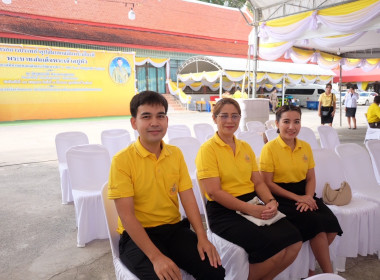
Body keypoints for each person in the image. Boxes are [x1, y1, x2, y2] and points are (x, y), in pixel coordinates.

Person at [108, 91, 225, 280]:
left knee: (215, 270)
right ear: (133, 123)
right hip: (139, 236)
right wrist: (156, 257)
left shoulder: (175, 154)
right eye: (146, 116)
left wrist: (202, 237)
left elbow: (188, 198)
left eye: (160, 116)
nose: (155, 122)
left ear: (167, 121)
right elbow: (127, 216)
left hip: (174, 230)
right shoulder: (122, 161)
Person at [195, 98, 302, 280]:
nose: (230, 121)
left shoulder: (245, 147)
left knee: (295, 241)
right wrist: (250, 209)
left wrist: (270, 201)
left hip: (251, 204)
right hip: (223, 212)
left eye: (235, 116)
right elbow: (214, 192)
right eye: (224, 116)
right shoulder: (208, 150)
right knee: (272, 249)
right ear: (214, 118)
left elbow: (258, 183)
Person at [259, 105, 343, 275]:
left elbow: (310, 177)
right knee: (317, 227)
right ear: (277, 123)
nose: (292, 127)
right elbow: (267, 183)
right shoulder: (269, 149)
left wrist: (308, 197)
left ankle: (309, 268)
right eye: (286, 122)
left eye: (296, 122)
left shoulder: (305, 146)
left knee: (332, 227)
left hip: (305, 193)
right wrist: (298, 198)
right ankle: (328, 275)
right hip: (281, 197)